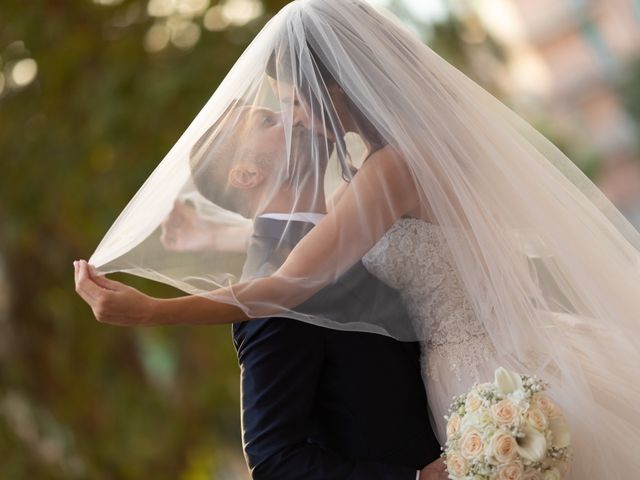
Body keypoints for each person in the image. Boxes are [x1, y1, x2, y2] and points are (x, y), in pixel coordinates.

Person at [75, 0, 640, 478]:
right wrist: (214, 237)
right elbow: (318, 254)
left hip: (480, 385)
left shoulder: (387, 172)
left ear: (335, 88)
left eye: (295, 100)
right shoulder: (392, 164)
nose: (297, 117)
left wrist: (153, 310)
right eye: (279, 114)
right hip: (493, 378)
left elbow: (297, 277)